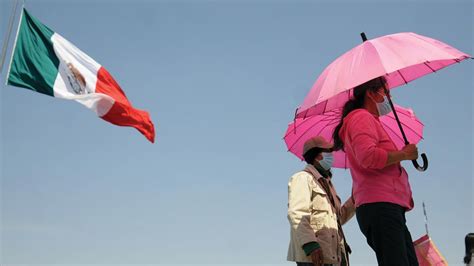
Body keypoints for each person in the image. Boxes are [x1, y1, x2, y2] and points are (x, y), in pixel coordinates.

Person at [332, 76, 419, 266]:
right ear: (371, 94)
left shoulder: (369, 120)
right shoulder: (360, 118)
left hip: (388, 207)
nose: (388, 98)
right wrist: (403, 154)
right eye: (385, 92)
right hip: (381, 206)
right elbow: (368, 156)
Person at [287, 136, 355, 266]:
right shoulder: (302, 178)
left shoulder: (327, 184)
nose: (332, 156)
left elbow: (337, 219)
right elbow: (297, 213)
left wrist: (355, 199)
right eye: (328, 152)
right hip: (314, 255)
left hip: (334, 255)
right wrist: (310, 245)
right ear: (318, 156)